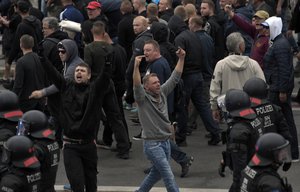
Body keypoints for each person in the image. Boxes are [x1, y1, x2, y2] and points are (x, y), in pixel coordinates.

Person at [38, 53, 109, 191]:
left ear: (88, 76)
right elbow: (52, 73)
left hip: (89, 146)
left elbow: (104, 80)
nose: (79, 72)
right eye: (77, 70)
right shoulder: (66, 86)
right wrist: (43, 58)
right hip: (71, 146)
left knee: (91, 185)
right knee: (77, 184)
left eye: (82, 71)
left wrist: (107, 66)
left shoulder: (94, 90)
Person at [133, 44, 186, 192]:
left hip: (165, 142)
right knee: (168, 174)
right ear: (146, 87)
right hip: (152, 144)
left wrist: (182, 58)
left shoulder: (162, 92)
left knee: (156, 174)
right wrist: (136, 68)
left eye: (158, 82)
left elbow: (175, 77)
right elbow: (136, 85)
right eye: (154, 83)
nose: (158, 85)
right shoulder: (142, 98)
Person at [168, 13, 221, 146]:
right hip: (198, 75)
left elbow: (180, 58)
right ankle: (216, 133)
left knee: (182, 107)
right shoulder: (194, 35)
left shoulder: (180, 38)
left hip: (186, 76)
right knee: (203, 106)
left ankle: (181, 138)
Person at [84, 21, 131, 159]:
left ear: (92, 32)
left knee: (92, 116)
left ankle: (89, 147)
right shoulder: (111, 48)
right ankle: (124, 148)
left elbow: (87, 68)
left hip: (95, 84)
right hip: (109, 84)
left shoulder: (89, 48)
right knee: (115, 117)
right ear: (104, 33)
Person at [263, 16, 299, 162]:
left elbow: (285, 70)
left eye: (267, 27)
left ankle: (289, 152)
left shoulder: (280, 45)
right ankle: (290, 152)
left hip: (278, 90)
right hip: (277, 88)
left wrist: (282, 91)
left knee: (280, 122)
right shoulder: (278, 43)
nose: (265, 30)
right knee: (283, 121)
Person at [210, 32, 265, 122]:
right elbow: (262, 84)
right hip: (249, 107)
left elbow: (214, 87)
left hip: (228, 107)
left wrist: (214, 107)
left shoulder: (221, 64)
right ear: (241, 46)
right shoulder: (253, 64)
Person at [223, 89, 262, 192]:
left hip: (248, 177)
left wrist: (238, 185)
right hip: (259, 169)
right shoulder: (255, 120)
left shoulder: (238, 132)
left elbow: (240, 165)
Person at [18, 110, 60, 192]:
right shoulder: (52, 141)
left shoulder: (37, 148)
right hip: (49, 187)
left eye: (26, 127)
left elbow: (23, 169)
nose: (23, 130)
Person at [13, 34, 47, 112]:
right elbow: (46, 77)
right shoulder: (40, 59)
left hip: (27, 100)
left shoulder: (21, 62)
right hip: (40, 99)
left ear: (21, 45)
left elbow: (18, 84)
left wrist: (13, 98)